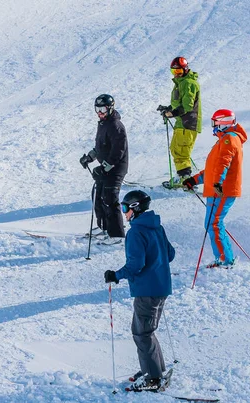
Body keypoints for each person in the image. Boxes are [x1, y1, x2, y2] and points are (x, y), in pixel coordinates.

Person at [104, 190, 175, 392]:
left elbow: (136, 264)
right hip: (161, 287)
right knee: (146, 331)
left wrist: (115, 275)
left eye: (125, 208)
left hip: (147, 290)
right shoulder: (156, 226)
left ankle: (153, 378)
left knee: (142, 333)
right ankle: (153, 369)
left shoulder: (136, 232)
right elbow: (170, 254)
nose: (124, 213)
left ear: (134, 208)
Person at [183, 109, 247, 268]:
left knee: (213, 224)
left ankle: (225, 261)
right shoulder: (224, 140)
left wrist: (218, 183)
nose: (213, 127)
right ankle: (226, 258)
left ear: (223, 122)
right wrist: (194, 179)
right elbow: (213, 169)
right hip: (217, 189)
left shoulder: (228, 140)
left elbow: (223, 165)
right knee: (214, 223)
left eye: (215, 123)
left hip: (221, 190)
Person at [79, 94, 128, 245]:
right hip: (106, 168)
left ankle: (117, 235)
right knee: (98, 197)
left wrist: (105, 167)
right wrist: (90, 157)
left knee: (109, 199)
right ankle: (104, 228)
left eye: (102, 109)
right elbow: (101, 147)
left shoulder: (115, 125)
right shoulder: (103, 123)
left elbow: (117, 152)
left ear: (110, 108)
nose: (99, 112)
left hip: (116, 168)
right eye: (97, 109)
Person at [158, 56, 202, 188]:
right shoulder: (182, 83)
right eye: (174, 72)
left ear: (185, 69)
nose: (176, 75)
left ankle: (185, 179)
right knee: (176, 149)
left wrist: (172, 113)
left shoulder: (188, 83)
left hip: (187, 124)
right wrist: (169, 109)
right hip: (182, 123)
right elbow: (180, 103)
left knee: (180, 152)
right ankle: (184, 177)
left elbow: (187, 106)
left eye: (179, 72)